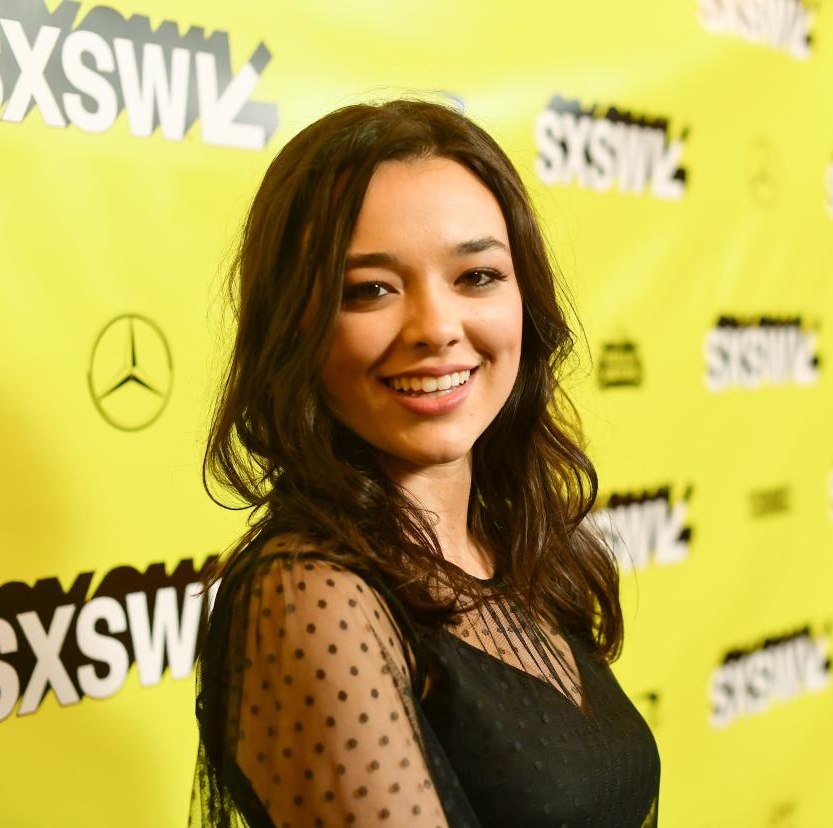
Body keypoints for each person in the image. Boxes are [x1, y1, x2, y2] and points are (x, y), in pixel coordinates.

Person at [188, 99, 661, 827]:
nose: (437, 329)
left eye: (476, 277)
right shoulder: (312, 599)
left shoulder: (516, 551)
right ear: (296, 328)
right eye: (370, 290)